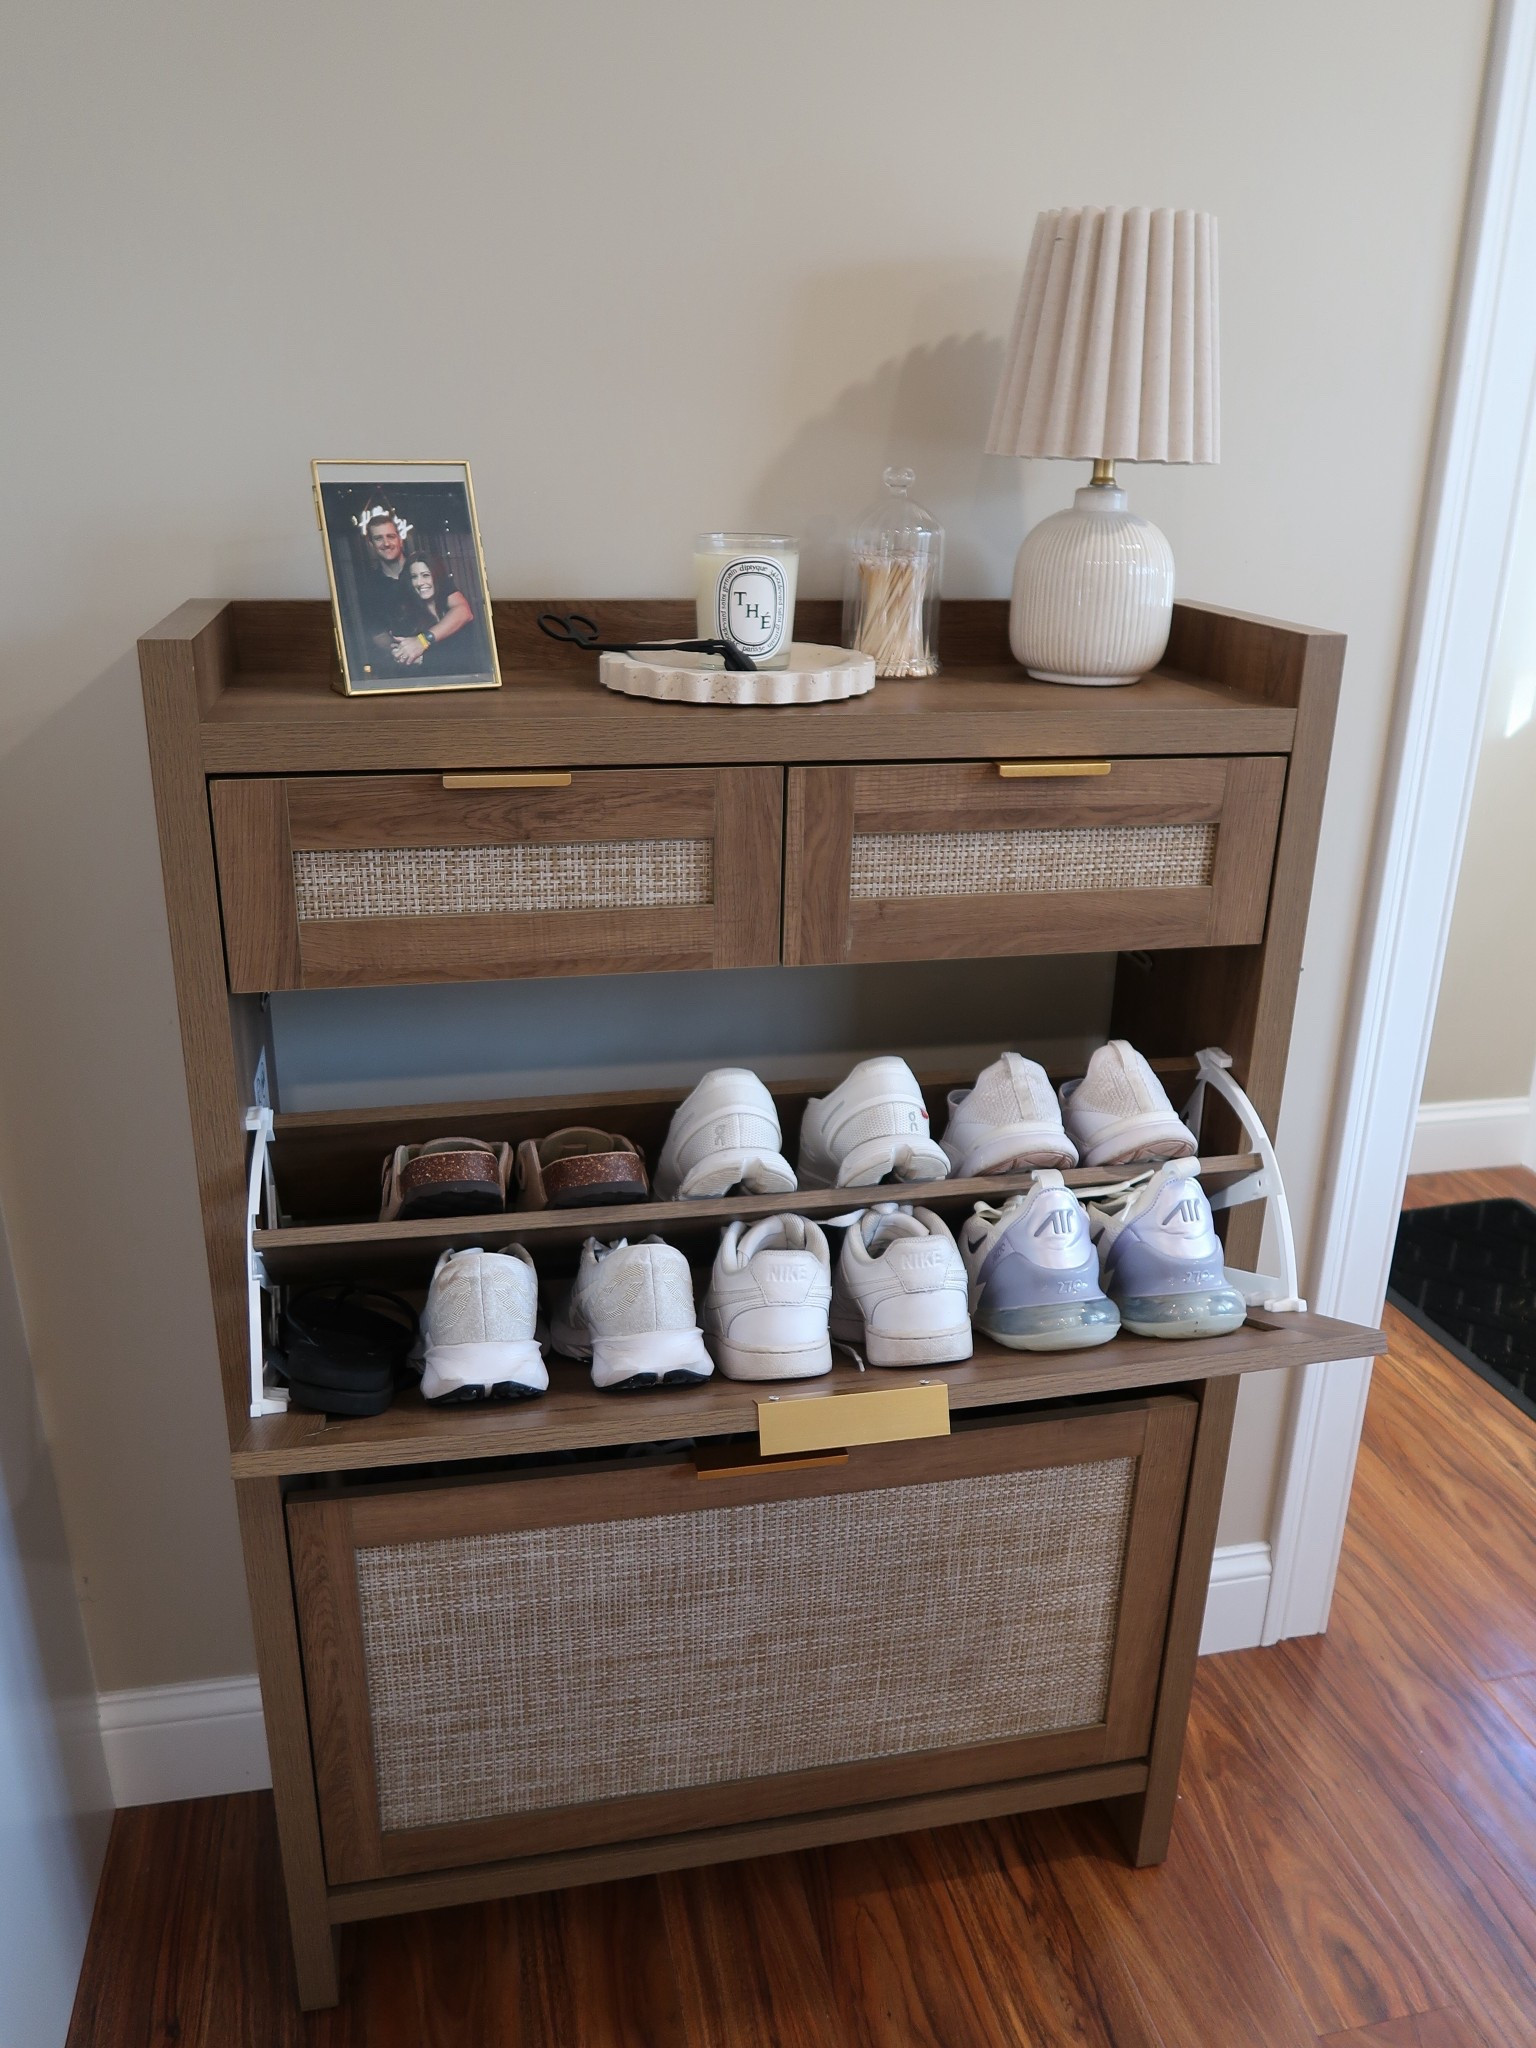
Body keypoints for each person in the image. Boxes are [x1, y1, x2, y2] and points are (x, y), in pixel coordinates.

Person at [396, 554, 481, 672]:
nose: (419, 582)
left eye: (425, 575)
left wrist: (422, 642)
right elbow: (403, 659)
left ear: (436, 576)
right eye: (414, 577)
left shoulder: (452, 608)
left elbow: (465, 613)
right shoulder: (408, 619)